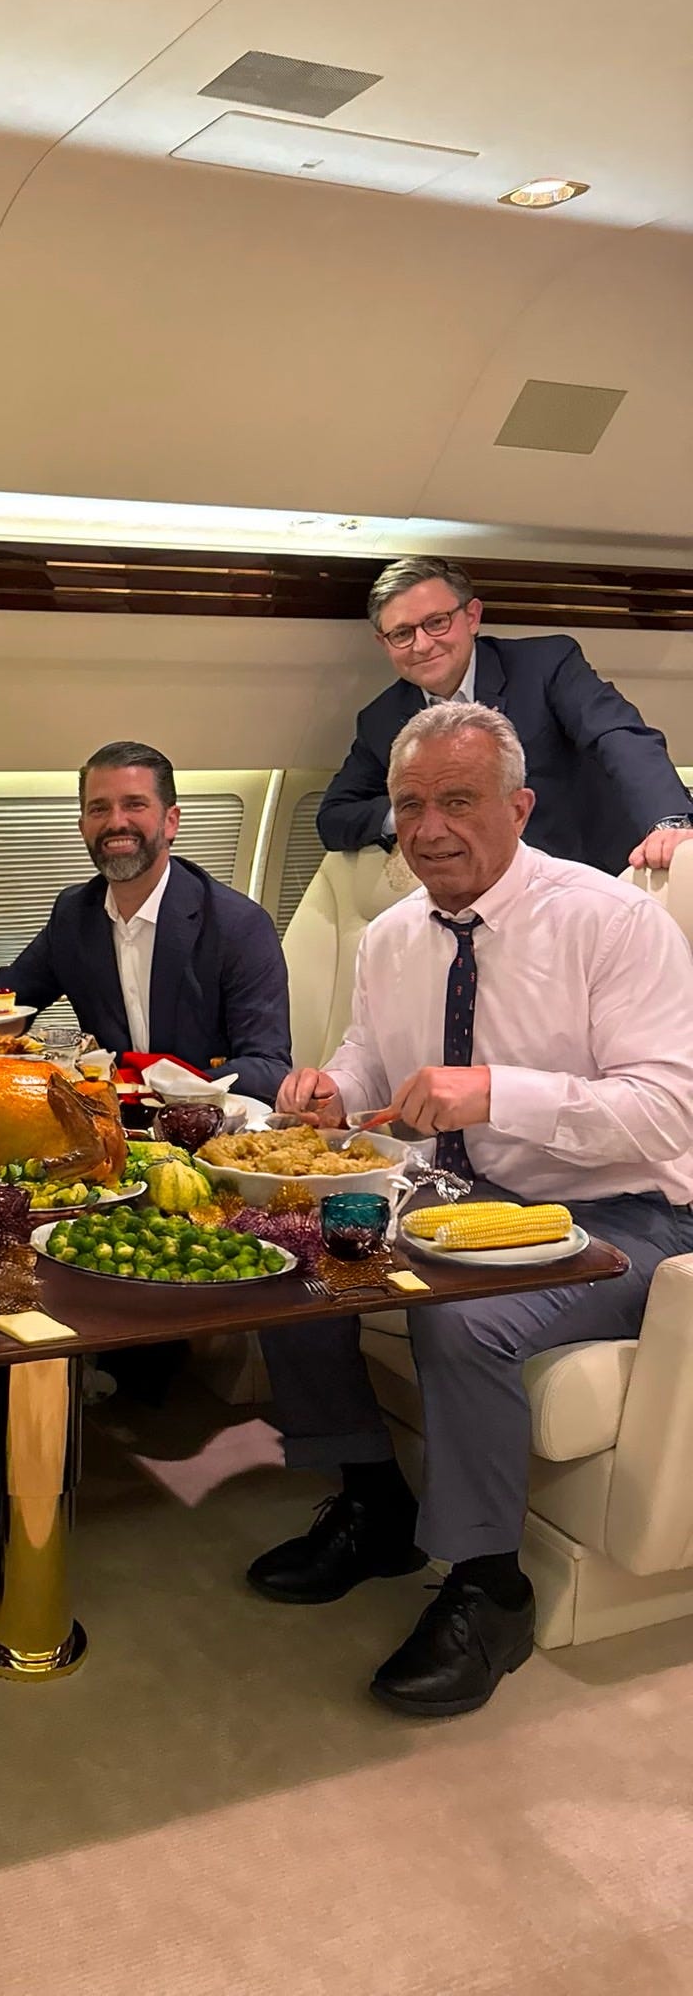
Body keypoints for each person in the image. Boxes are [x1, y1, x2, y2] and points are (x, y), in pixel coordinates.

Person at [257, 701, 693, 1716]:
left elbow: (670, 1108)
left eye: (459, 801)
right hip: (460, 1197)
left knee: (462, 1317)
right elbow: (370, 1058)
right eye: (411, 805)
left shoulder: (612, 922)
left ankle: (491, 1587)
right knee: (287, 1251)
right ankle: (373, 1502)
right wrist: (329, 1088)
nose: (430, 828)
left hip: (623, 1215)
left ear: (520, 807)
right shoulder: (392, 935)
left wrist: (498, 1092)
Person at [317, 556, 693, 877]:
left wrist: (669, 821)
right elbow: (334, 817)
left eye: (436, 622)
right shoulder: (382, 719)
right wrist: (416, 811)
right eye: (402, 633)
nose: (422, 644)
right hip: (482, 896)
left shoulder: (545, 666)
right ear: (384, 643)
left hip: (595, 872)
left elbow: (619, 737)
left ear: (472, 617)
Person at [0, 742, 291, 1105]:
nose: (116, 822)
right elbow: (11, 1004)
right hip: (113, 1122)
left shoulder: (238, 925)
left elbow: (267, 1066)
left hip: (211, 1121)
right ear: (83, 827)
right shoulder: (74, 914)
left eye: (134, 804)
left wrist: (157, 1091)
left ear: (171, 821)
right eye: (99, 808)